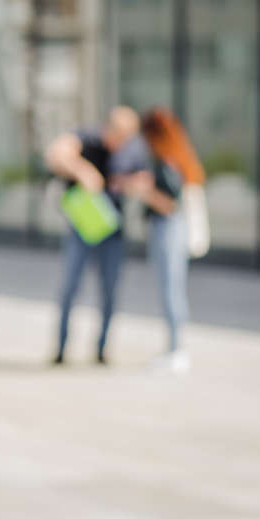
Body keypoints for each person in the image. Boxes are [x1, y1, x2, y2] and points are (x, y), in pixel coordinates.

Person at [44, 106, 149, 365]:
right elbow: (56, 154)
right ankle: (61, 347)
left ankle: (102, 349)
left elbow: (144, 180)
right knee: (70, 287)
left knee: (110, 290)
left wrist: (128, 184)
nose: (121, 142)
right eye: (119, 135)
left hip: (111, 231)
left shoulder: (132, 150)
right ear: (109, 128)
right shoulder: (86, 139)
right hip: (81, 227)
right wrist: (83, 171)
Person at [135, 107, 209, 373]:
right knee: (172, 288)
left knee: (171, 290)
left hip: (168, 229)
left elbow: (170, 204)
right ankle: (175, 348)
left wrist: (143, 191)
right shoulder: (179, 156)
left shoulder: (166, 161)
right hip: (172, 229)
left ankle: (176, 350)